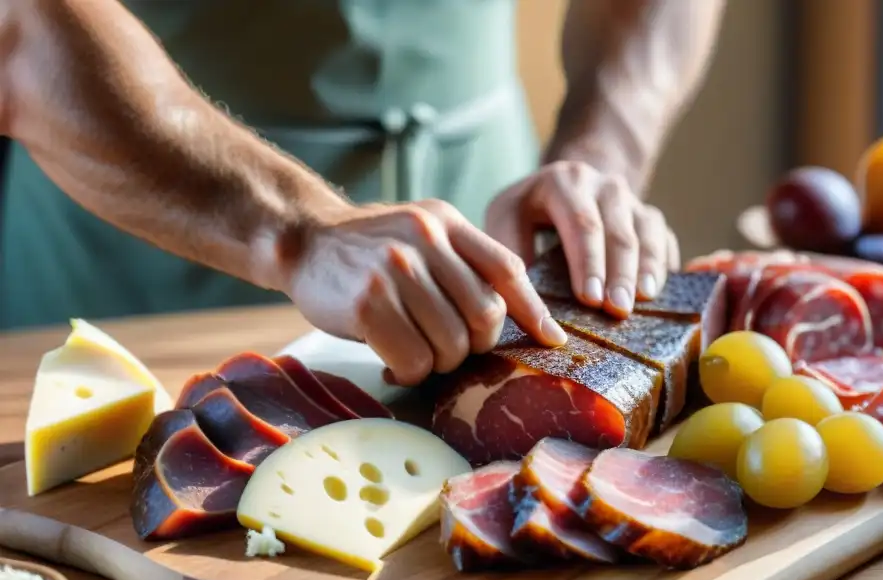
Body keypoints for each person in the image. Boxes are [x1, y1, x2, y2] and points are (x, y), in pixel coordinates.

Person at [0, 0, 725, 385]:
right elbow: (23, 25)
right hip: (132, 273)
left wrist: (604, 150)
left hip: (486, 229)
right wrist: (295, 231)